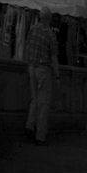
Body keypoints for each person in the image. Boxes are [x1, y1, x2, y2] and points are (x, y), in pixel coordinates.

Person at [24, 13, 59, 144]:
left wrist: (28, 65)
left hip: (32, 67)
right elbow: (54, 58)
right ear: (49, 19)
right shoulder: (50, 34)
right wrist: (58, 76)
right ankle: (40, 136)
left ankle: (29, 126)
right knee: (43, 104)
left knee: (34, 100)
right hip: (43, 70)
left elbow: (27, 49)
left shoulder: (32, 29)